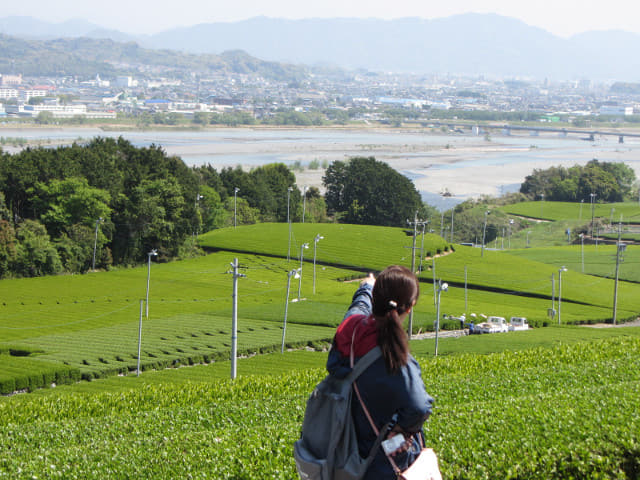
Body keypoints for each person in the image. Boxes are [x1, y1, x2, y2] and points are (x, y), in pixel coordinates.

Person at [326, 265, 434, 480]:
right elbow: (420, 405)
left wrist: (366, 287)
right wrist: (403, 430)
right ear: (410, 308)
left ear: (375, 300)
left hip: (346, 455)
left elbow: (358, 307)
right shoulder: (397, 359)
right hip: (383, 464)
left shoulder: (350, 330)